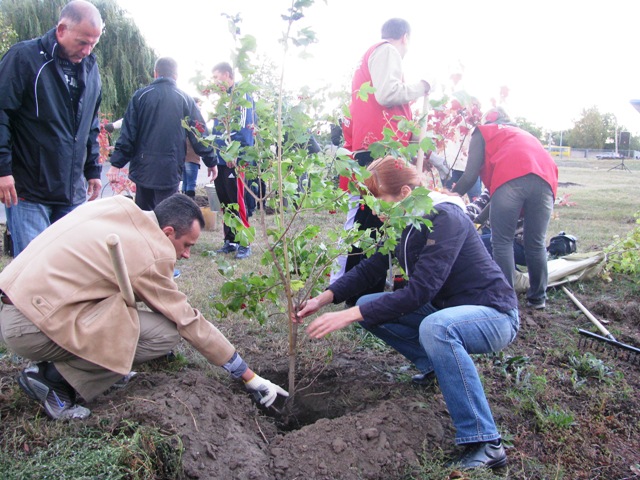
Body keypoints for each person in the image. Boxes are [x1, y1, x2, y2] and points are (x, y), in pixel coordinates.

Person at [295, 156, 518, 470]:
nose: (372, 209)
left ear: (402, 193)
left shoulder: (445, 218)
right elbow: (373, 265)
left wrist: (349, 316)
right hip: (447, 310)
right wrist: (325, 298)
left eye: (377, 200)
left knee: (436, 328)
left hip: (493, 314)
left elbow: (420, 292)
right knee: (369, 304)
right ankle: (435, 366)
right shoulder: (407, 220)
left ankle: (485, 441)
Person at [0, 194, 288, 420]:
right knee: (163, 334)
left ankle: (75, 365)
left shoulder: (117, 206)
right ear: (168, 231)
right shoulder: (152, 252)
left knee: (126, 316)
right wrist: (248, 376)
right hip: (31, 326)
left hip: (19, 300)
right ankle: (53, 381)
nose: (187, 255)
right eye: (186, 245)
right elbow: (186, 320)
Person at [332, 18, 433, 305]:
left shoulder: (373, 58)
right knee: (371, 222)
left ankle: (362, 291)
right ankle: (358, 293)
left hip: (375, 148)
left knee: (372, 221)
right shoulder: (387, 50)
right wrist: (422, 86)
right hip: (378, 149)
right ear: (404, 37)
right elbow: (388, 94)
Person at [0, 0, 104, 256]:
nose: (88, 50)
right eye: (82, 42)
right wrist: (2, 169)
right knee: (34, 267)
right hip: (29, 191)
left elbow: (90, 122)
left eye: (94, 43)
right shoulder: (24, 58)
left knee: (69, 267)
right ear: (61, 30)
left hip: (71, 192)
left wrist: (92, 169)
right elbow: (1, 112)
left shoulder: (91, 68)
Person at [452, 107, 558, 309]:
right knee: (535, 243)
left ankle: (506, 299)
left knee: (501, 242)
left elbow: (470, 176)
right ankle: (538, 299)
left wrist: (450, 194)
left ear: (487, 120)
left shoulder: (484, 131)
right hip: (545, 181)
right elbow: (500, 196)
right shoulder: (522, 135)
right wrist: (478, 221)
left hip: (510, 180)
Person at [107, 57, 217, 211]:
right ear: (176, 75)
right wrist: (211, 161)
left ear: (155, 73)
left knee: (145, 218)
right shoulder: (185, 99)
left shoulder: (140, 96)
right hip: (170, 168)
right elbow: (199, 134)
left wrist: (116, 164)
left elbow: (128, 134)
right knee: (167, 217)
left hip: (143, 168)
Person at [210, 62, 256, 260]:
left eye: (216, 77)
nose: (214, 82)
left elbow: (246, 128)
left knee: (238, 200)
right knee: (226, 201)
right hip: (221, 159)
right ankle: (230, 240)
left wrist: (234, 153)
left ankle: (245, 242)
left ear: (227, 75)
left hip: (235, 159)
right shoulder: (222, 101)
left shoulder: (241, 96)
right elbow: (217, 130)